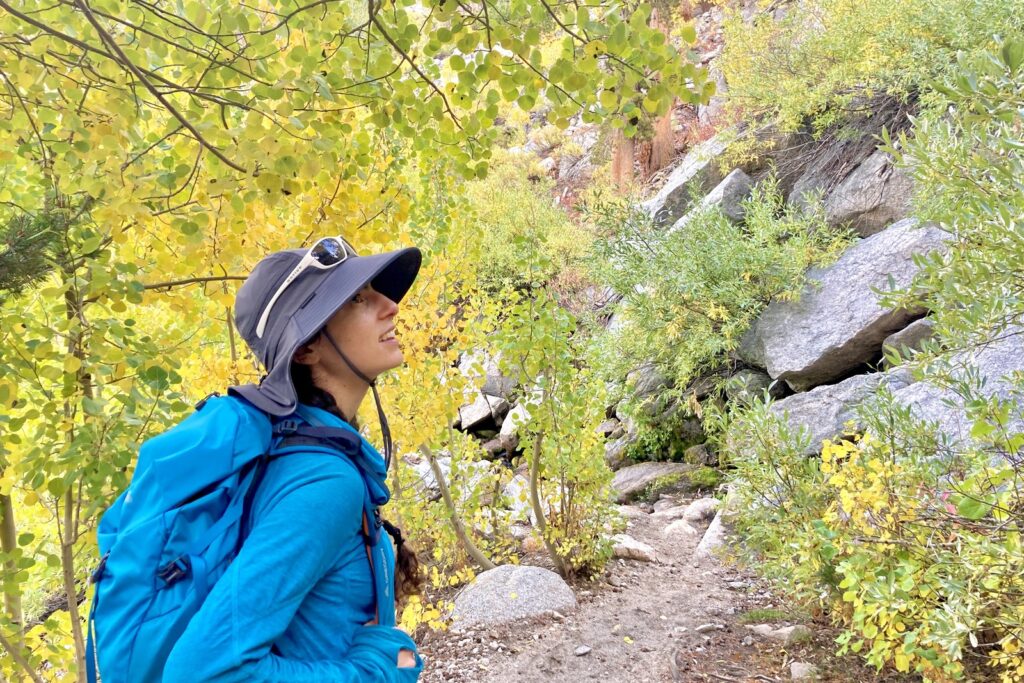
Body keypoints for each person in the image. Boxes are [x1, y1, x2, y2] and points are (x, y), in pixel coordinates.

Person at [163, 236, 424, 681]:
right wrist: (379, 669)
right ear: (305, 348)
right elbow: (202, 672)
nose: (390, 306)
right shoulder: (324, 481)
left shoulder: (311, 453)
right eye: (358, 299)